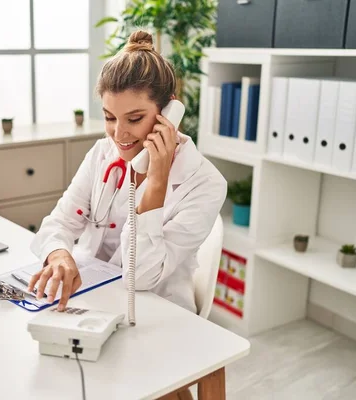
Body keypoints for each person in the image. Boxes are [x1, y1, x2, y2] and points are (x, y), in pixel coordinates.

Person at [28, 29, 227, 317]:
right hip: (94, 300)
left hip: (159, 313)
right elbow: (57, 223)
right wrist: (59, 255)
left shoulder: (206, 184)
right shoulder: (102, 153)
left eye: (134, 119)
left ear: (169, 110)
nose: (119, 134)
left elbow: (141, 277)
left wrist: (156, 183)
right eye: (110, 117)